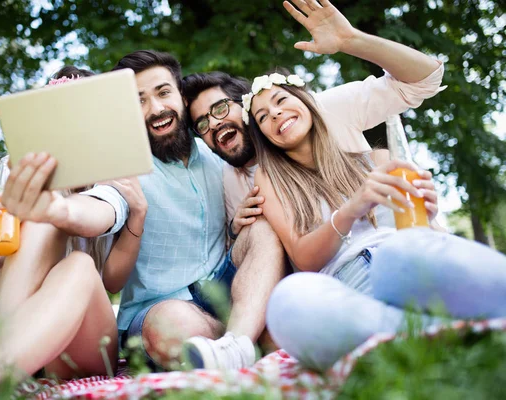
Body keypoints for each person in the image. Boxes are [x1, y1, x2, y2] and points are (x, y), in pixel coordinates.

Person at [239, 0, 506, 371]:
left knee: (398, 256)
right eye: (263, 117)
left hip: (406, 264)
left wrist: (426, 213)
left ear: (307, 102)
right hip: (349, 289)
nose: (275, 115)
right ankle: (439, 335)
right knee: (289, 299)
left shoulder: (378, 162)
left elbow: (426, 77)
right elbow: (304, 259)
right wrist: (351, 208)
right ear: (264, 136)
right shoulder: (271, 179)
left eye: (281, 101)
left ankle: (423, 339)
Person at [0, 66, 145, 398]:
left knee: (78, 265)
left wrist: (136, 218)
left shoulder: (112, 178)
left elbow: (110, 282)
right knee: (42, 223)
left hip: (73, 342)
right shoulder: (10, 170)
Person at [83, 50, 287, 371]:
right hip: (160, 308)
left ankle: (234, 344)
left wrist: (238, 227)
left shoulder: (216, 151)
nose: (156, 109)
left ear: (181, 95)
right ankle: (247, 340)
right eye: (139, 101)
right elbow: (103, 206)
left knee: (263, 226)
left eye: (163, 92)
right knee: (171, 325)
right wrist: (62, 209)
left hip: (224, 284)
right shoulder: (124, 166)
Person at [182, 1, 445, 241]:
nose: (214, 124)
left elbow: (424, 81)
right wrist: (234, 229)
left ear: (246, 105)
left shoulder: (321, 111)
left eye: (219, 109)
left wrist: (351, 40)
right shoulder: (230, 177)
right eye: (202, 124)